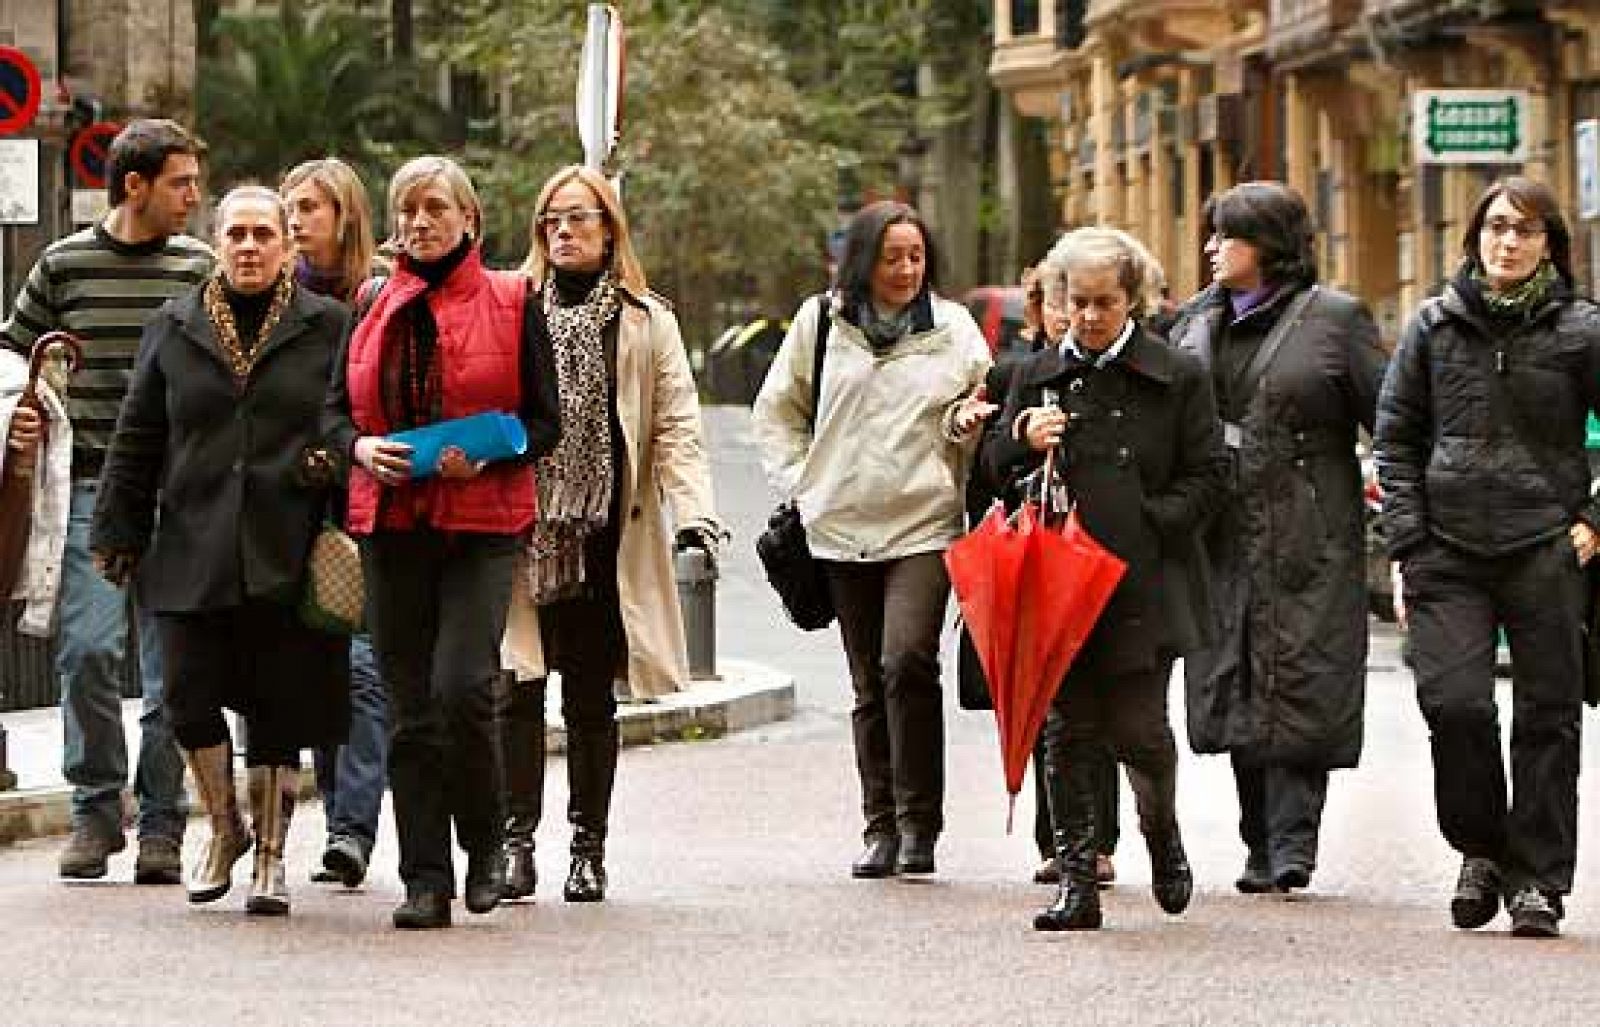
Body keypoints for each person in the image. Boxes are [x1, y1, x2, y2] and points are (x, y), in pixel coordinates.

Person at [90, 185, 352, 915]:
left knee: (278, 705)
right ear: (216, 241)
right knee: (185, 695)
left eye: (263, 233)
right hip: (192, 543)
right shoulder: (173, 326)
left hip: (287, 543)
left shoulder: (328, 325)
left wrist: (331, 466)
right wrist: (116, 528)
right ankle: (226, 825)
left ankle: (270, 856)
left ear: (286, 246)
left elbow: (349, 417)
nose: (248, 246)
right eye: (235, 232)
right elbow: (138, 433)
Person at [323, 155, 560, 930]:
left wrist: (491, 451)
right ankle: (425, 877)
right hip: (392, 525)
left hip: (481, 524)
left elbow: (546, 422)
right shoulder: (370, 303)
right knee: (408, 709)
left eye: (433, 209)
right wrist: (361, 450)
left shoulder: (512, 298)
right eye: (406, 210)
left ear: (470, 220)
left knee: (462, 687)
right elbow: (334, 416)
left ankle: (486, 844)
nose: (418, 222)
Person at [982, 227, 1227, 931]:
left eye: (1105, 302)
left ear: (1133, 300)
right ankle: (1078, 883)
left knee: (1138, 729)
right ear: (1059, 300)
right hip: (1056, 579)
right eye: (1078, 301)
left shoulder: (1176, 375)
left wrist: (1154, 520)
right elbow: (991, 469)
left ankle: (1161, 833)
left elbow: (1210, 474)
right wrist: (1020, 438)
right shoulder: (1032, 373)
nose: (1089, 316)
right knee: (1065, 729)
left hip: (1140, 581)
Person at [1377, 177, 1600, 939]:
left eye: (1528, 230)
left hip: (1545, 545)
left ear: (1550, 244)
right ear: (1475, 234)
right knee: (1456, 703)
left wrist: (1594, 521)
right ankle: (1482, 845)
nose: (1509, 241)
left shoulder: (1582, 329)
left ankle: (1537, 878)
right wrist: (1409, 542)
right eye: (1499, 226)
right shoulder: (1433, 326)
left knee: (1548, 716)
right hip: (1447, 549)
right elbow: (1396, 439)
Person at [496, 165, 723, 905]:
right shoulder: (511, 306)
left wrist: (693, 514)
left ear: (609, 229)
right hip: (524, 527)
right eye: (551, 220)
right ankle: (514, 842)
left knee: (591, 698)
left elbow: (677, 426)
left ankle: (588, 847)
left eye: (579, 219)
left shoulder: (645, 319)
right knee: (516, 687)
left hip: (602, 534)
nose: (563, 231)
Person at [753, 200, 995, 879]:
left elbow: (972, 407)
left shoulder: (952, 329)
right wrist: (805, 483)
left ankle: (923, 824)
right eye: (893, 257)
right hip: (837, 525)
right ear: (863, 260)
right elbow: (778, 411)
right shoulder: (820, 323)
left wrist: (966, 425)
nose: (907, 269)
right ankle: (881, 826)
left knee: (907, 660)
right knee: (866, 682)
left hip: (922, 521)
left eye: (917, 256)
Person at [1, 119, 212, 884]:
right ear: (136, 186)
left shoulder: (201, 266)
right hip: (90, 485)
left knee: (171, 671)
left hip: (181, 494)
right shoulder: (64, 265)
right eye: (181, 183)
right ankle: (96, 805)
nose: (194, 196)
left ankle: (162, 819)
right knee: (88, 649)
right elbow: (10, 352)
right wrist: (18, 413)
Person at [1170, 181, 1387, 895]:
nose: (1210, 248)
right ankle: (1258, 839)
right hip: (1219, 532)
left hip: (1307, 533)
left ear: (1267, 244)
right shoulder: (1193, 325)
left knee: (1300, 677)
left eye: (1225, 236)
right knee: (1233, 678)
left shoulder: (1335, 321)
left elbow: (1389, 417)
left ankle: (1294, 843)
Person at [960, 264, 1121, 890]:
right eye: (1056, 302)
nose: (1067, 314)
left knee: (1097, 710)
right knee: (1049, 704)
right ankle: (1059, 841)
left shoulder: (1113, 373)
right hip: (1036, 560)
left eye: (1078, 301)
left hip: (1100, 560)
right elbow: (988, 475)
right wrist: (1017, 437)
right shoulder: (1016, 377)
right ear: (1039, 310)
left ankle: (1098, 840)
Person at [281, 157, 390, 889]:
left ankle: (352, 827)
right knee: (311, 670)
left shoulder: (379, 295)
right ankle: (330, 824)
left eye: (309, 208)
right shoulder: (274, 297)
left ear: (343, 215)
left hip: (365, 505)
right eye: (290, 207)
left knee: (361, 669)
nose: (294, 222)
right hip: (290, 508)